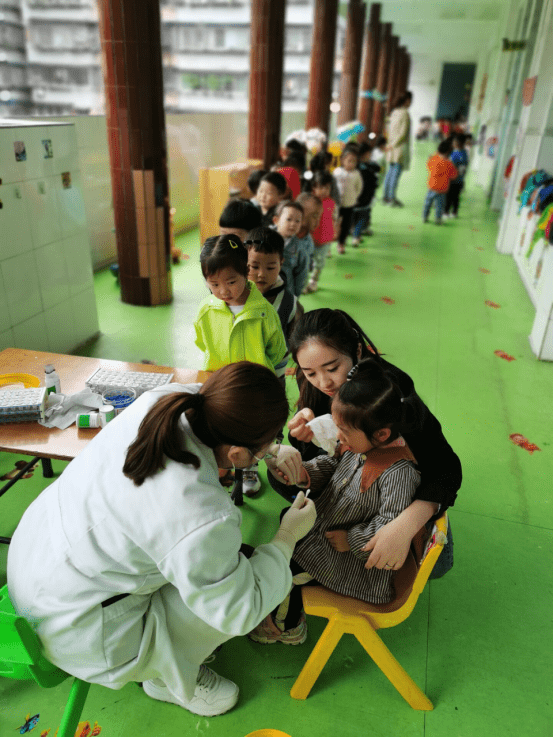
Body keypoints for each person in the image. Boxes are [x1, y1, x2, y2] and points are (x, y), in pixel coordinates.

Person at [7, 362, 317, 716]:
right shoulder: (201, 515)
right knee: (235, 584)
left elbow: (221, 414)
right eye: (267, 443)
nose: (270, 449)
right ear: (237, 454)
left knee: (203, 566)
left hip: (33, 556)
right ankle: (164, 675)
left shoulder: (168, 400)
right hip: (74, 629)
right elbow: (238, 609)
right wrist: (287, 536)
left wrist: (270, 451)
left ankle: (162, 652)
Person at [268, 308, 461, 578]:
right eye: (309, 372)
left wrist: (406, 524)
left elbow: (446, 467)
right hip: (354, 478)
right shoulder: (316, 385)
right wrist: (302, 438)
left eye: (333, 368)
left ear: (357, 350)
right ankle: (342, 519)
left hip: (393, 484)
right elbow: (327, 459)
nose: (323, 382)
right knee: (281, 474)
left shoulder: (389, 393)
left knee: (434, 566)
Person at [248, 358, 422, 644]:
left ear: (382, 434)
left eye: (344, 431)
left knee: (286, 569)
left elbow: (389, 526)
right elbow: (332, 465)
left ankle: (287, 627)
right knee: (285, 526)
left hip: (350, 562)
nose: (337, 437)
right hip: (327, 532)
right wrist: (304, 474)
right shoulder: (361, 444)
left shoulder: (399, 473)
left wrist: (351, 540)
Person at [194, 235, 287, 496]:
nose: (224, 290)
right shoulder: (206, 310)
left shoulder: (263, 311)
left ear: (245, 272)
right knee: (223, 428)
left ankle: (250, 469)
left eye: (231, 281)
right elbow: (202, 343)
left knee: (252, 432)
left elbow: (277, 350)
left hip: (255, 388)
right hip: (221, 384)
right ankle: (221, 469)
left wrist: (274, 385)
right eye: (214, 284)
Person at [245, 225, 304, 365]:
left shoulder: (290, 304)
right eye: (254, 266)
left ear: (281, 263)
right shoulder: (233, 297)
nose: (262, 274)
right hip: (238, 368)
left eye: (270, 267)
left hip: (275, 371)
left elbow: (298, 342)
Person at [304, 171, 337, 293]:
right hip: (310, 239)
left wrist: (335, 232)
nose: (324, 190)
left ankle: (314, 281)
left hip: (325, 240)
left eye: (327, 188)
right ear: (314, 187)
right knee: (306, 262)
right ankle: (303, 282)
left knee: (320, 263)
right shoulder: (310, 202)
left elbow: (334, 219)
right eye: (320, 187)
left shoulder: (331, 203)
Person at [272, 200, 307, 298]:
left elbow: (301, 274)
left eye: (297, 221)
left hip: (285, 292)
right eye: (289, 219)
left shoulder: (300, 248)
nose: (293, 224)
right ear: (276, 220)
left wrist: (296, 296)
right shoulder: (263, 238)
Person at [383, 91, 412, 207]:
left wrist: (389, 145)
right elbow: (403, 133)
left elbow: (389, 130)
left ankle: (386, 197)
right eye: (410, 100)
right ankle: (392, 198)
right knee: (395, 174)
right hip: (398, 147)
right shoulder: (405, 113)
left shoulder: (394, 112)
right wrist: (393, 145)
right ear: (406, 101)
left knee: (390, 173)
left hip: (391, 147)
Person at [332, 148, 363, 254]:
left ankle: (341, 244)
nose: (351, 163)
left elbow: (359, 188)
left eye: (354, 161)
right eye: (349, 160)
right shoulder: (337, 172)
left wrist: (354, 197)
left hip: (349, 204)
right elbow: (333, 186)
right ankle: (328, 244)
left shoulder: (356, 174)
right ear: (342, 161)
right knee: (333, 222)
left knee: (346, 225)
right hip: (336, 204)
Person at [423, 140, 458, 225]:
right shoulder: (449, 164)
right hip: (442, 189)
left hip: (431, 187)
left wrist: (433, 156)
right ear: (448, 152)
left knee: (427, 203)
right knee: (439, 206)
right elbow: (454, 176)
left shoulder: (433, 159)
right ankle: (438, 219)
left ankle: (425, 217)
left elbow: (428, 166)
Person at [351, 142, 379, 244]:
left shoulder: (355, 167)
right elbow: (372, 182)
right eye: (369, 154)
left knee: (354, 217)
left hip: (353, 199)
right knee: (363, 217)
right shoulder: (368, 168)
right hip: (365, 199)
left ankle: (354, 232)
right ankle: (356, 236)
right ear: (365, 154)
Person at [444, 134, 469, 219]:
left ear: (458, 143)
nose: (453, 143)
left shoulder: (455, 154)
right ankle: (454, 212)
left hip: (452, 180)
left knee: (449, 197)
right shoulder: (464, 152)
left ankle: (446, 212)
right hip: (460, 180)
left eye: (454, 142)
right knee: (456, 197)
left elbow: (450, 166)